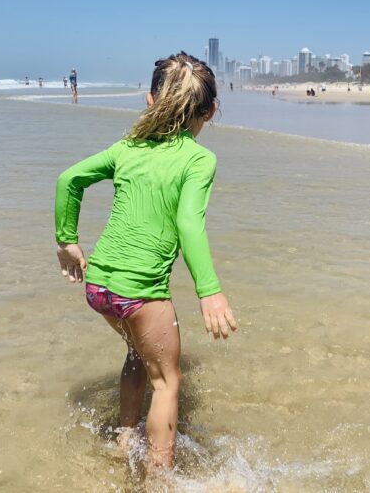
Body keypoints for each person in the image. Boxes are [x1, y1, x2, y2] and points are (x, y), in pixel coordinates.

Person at [54, 52, 238, 471]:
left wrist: (67, 242)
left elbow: (69, 180)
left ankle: (124, 438)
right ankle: (159, 477)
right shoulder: (199, 159)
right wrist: (210, 292)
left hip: (99, 287)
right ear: (209, 112)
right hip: (140, 291)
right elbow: (189, 223)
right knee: (168, 381)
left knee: (138, 354)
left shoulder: (128, 147)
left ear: (150, 100)